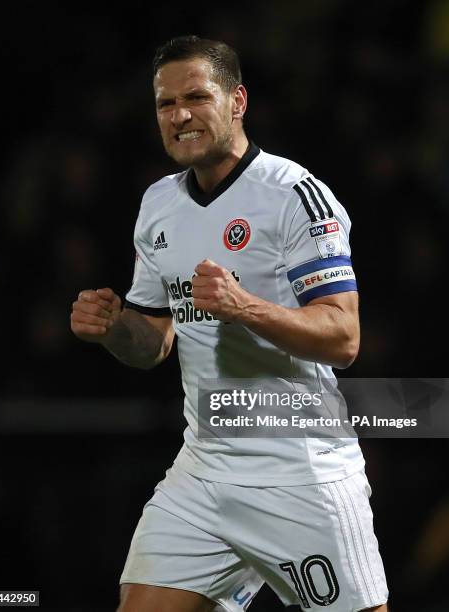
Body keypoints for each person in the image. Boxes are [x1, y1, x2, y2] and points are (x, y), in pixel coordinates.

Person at [71, 35, 389, 612]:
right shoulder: (157, 205)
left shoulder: (295, 195)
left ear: (237, 101)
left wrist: (242, 306)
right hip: (204, 470)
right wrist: (116, 325)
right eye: (166, 104)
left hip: (299, 471)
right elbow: (155, 343)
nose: (180, 116)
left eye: (197, 97)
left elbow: (344, 338)